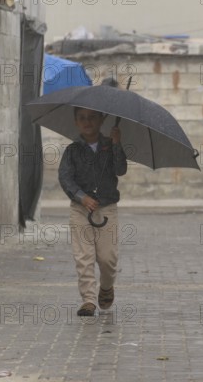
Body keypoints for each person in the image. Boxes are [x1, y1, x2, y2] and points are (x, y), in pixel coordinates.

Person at [58, 107, 127, 316]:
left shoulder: (110, 145)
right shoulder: (72, 150)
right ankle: (88, 299)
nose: (87, 122)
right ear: (76, 122)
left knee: (108, 258)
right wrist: (81, 197)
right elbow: (65, 178)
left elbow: (120, 169)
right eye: (82, 118)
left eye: (92, 118)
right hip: (80, 210)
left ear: (101, 120)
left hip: (106, 209)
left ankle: (106, 287)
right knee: (83, 256)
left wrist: (116, 145)